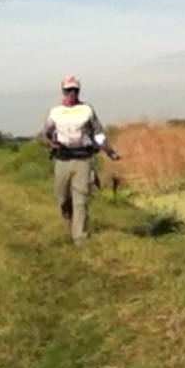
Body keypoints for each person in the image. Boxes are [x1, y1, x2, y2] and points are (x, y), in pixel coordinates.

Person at [40, 75, 120, 245]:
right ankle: (70, 224)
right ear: (63, 91)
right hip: (62, 159)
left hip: (83, 159)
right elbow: (45, 134)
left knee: (81, 199)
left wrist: (109, 151)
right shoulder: (55, 112)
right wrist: (50, 144)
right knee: (62, 198)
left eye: (75, 90)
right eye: (68, 90)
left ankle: (80, 237)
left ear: (78, 91)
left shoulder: (87, 110)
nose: (72, 93)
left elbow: (98, 134)